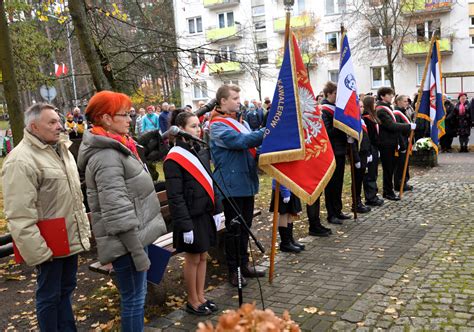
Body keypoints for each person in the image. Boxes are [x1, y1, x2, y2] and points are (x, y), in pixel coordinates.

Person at [77, 91, 167, 331]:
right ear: (106, 118)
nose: (130, 119)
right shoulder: (106, 156)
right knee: (134, 301)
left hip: (133, 240)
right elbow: (116, 211)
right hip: (126, 245)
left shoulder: (118, 147)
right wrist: (138, 251)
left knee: (136, 299)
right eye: (124, 114)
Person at [2, 103, 91, 331]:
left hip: (68, 240)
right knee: (49, 297)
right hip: (48, 246)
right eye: (52, 122)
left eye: (59, 121)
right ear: (33, 126)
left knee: (65, 291)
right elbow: (19, 215)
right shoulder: (20, 160)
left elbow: (74, 198)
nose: (59, 126)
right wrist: (40, 253)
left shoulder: (61, 150)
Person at [164, 112, 221, 316]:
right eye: (193, 126)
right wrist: (185, 225)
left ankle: (201, 296)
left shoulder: (199, 151)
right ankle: (192, 300)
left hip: (204, 213)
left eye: (199, 125)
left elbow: (211, 183)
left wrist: (217, 210)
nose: (198, 129)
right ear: (180, 130)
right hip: (189, 217)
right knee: (193, 258)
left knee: (203, 256)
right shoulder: (174, 158)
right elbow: (176, 197)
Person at [209, 84, 265, 287]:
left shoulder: (239, 122)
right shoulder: (217, 126)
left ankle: (244, 265)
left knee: (245, 228)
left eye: (238, 97)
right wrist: (270, 130)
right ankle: (234, 271)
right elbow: (241, 141)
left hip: (246, 182)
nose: (238, 101)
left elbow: (251, 148)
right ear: (223, 101)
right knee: (235, 231)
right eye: (234, 98)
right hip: (231, 186)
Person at [320, 81, 352, 224]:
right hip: (331, 151)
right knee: (331, 184)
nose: (337, 96)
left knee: (338, 183)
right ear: (328, 94)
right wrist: (341, 126)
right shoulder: (324, 110)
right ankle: (331, 213)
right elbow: (328, 132)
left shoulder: (336, 109)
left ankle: (338, 210)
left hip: (340, 150)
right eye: (334, 93)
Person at [376, 87, 414, 201]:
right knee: (388, 169)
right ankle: (388, 192)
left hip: (391, 142)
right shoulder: (381, 110)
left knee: (391, 168)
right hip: (386, 143)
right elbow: (391, 125)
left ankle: (389, 190)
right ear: (382, 96)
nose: (392, 96)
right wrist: (409, 126)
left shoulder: (387, 108)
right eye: (389, 95)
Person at [269, 180, 304, 253]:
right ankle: (285, 243)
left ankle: (290, 240)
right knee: (284, 214)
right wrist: (285, 192)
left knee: (290, 214)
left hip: (290, 187)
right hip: (283, 189)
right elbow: (280, 175)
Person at [362, 96, 384, 207]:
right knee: (370, 174)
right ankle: (370, 198)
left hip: (375, 147)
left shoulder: (372, 116)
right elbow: (370, 135)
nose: (375, 104)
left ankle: (373, 195)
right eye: (374, 102)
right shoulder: (366, 118)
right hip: (370, 147)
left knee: (374, 172)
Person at [393, 95, 413, 192]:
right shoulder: (397, 113)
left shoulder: (403, 112)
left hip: (406, 140)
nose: (407, 103)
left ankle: (404, 181)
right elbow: (398, 130)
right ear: (399, 102)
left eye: (407, 101)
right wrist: (402, 145)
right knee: (400, 165)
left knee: (405, 163)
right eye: (405, 101)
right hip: (402, 143)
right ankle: (399, 183)